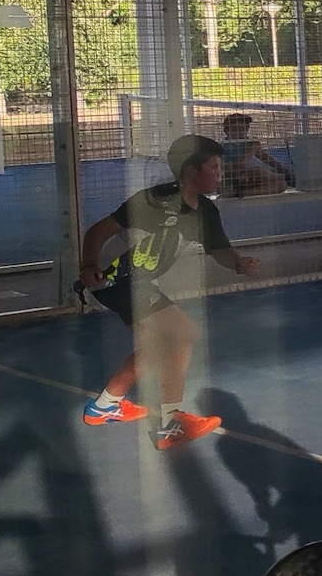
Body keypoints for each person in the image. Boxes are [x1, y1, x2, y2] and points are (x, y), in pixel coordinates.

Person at [78, 134, 260, 449]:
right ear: (191, 170)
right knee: (182, 334)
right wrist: (88, 265)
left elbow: (219, 249)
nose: (221, 173)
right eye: (214, 167)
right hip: (114, 278)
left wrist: (237, 262)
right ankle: (170, 425)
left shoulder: (205, 211)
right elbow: (98, 231)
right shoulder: (154, 201)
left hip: (138, 283)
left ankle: (104, 407)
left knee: (157, 347)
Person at [220, 113, 294, 196]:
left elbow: (267, 159)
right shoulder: (223, 146)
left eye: (244, 129)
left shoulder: (248, 144)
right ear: (226, 131)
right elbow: (234, 169)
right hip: (230, 179)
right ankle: (236, 191)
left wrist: (284, 171)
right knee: (258, 171)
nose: (241, 132)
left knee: (281, 185)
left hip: (247, 179)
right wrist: (253, 149)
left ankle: (242, 194)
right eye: (236, 129)